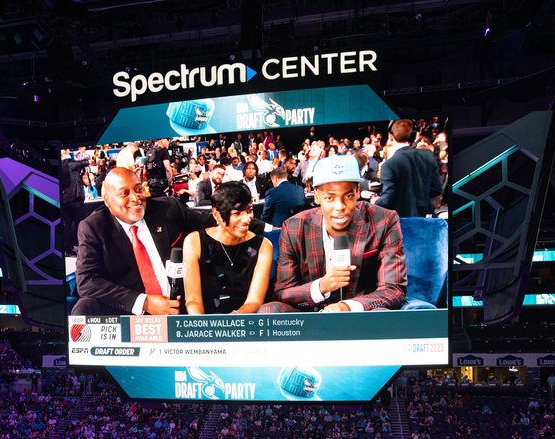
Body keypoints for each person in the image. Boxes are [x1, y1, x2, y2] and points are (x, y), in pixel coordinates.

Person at [260, 155, 407, 313]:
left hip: (361, 314)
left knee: (381, 314)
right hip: (313, 314)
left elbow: (393, 289)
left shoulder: (384, 220)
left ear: (358, 191)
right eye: (329, 198)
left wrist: (347, 307)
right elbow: (283, 292)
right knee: (270, 310)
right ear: (316, 196)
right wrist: (322, 286)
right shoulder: (294, 227)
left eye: (348, 196)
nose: (340, 206)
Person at [73, 167, 214, 315]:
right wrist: (144, 302)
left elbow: (213, 221)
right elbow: (86, 281)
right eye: (124, 193)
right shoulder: (94, 227)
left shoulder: (168, 208)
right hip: (131, 318)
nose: (135, 198)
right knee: (84, 306)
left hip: (183, 308)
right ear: (108, 201)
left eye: (138, 189)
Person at [183, 182, 273, 314]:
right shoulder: (194, 241)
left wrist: (229, 324)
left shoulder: (263, 246)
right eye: (237, 213)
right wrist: (202, 328)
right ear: (216, 214)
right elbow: (193, 299)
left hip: (244, 322)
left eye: (249, 211)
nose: (247, 219)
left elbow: (254, 301)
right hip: (204, 322)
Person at [374, 119, 442, 217]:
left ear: (390, 136)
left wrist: (375, 202)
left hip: (403, 223)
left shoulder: (390, 164)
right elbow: (437, 190)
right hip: (426, 218)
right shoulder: (428, 155)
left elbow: (387, 199)